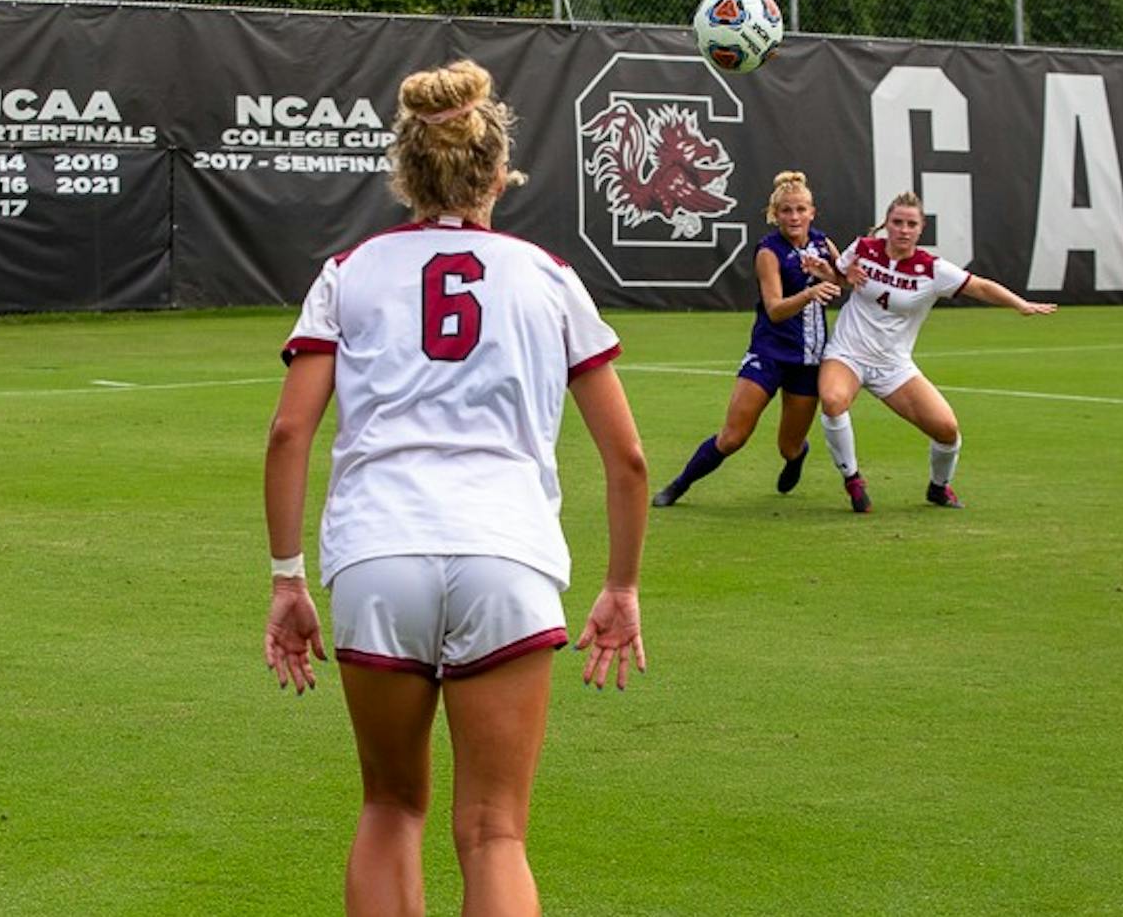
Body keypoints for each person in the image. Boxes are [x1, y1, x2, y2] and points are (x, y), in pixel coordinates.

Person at [262, 59, 648, 917]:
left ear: (406, 169)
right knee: (495, 831)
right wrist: (620, 586)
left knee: (390, 806)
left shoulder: (349, 269)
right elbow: (626, 458)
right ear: (497, 170)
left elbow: (290, 432)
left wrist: (288, 575)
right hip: (506, 556)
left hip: (377, 552)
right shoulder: (548, 276)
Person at [809, 190, 1056, 513]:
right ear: (886, 224)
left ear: (921, 228)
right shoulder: (863, 248)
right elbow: (840, 277)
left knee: (946, 430)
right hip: (848, 353)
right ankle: (853, 480)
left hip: (893, 365)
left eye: (911, 223)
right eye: (897, 222)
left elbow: (979, 286)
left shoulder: (932, 269)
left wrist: (1020, 304)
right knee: (832, 400)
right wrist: (827, 271)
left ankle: (939, 488)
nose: (903, 229)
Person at [650, 170, 841, 507]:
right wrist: (810, 293)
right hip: (769, 353)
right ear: (774, 214)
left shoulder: (824, 244)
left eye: (800, 209)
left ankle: (797, 456)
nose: (794, 217)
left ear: (812, 212)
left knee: (789, 446)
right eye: (786, 210)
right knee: (733, 436)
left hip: (808, 360)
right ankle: (678, 486)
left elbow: (846, 282)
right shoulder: (769, 251)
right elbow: (776, 309)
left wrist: (834, 274)